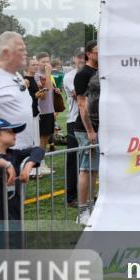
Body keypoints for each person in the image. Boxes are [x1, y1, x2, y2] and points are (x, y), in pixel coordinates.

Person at [0, 117, 43, 247]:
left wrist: (28, 165)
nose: (15, 134)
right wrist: (7, 165)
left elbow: (38, 150)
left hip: (13, 215)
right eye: (10, 131)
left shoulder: (14, 154)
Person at [72, 41, 99, 225]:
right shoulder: (83, 74)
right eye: (98, 51)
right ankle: (82, 211)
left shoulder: (102, 73)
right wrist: (89, 130)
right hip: (85, 128)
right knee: (86, 169)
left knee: (94, 169)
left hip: (100, 127)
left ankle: (91, 206)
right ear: (89, 54)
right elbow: (82, 104)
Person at [63, 51, 84, 208]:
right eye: (79, 58)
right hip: (74, 120)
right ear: (74, 59)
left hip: (92, 119)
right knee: (73, 159)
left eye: (85, 58)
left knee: (88, 156)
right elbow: (80, 95)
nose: (82, 61)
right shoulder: (70, 76)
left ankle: (87, 193)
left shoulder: (94, 73)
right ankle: (71, 197)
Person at [34, 53, 57, 171]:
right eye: (43, 61)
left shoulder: (47, 75)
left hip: (49, 110)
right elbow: (45, 93)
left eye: (48, 61)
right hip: (41, 112)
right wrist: (48, 73)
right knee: (41, 139)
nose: (46, 64)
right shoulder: (37, 76)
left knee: (46, 138)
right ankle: (38, 164)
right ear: (37, 62)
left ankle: (40, 162)